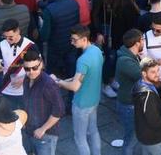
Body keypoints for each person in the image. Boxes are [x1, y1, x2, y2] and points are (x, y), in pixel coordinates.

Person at [55, 25, 103, 155]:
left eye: (74, 39)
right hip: (94, 99)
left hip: (82, 103)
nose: (72, 42)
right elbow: (86, 76)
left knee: (80, 138)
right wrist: (68, 80)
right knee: (93, 131)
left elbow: (75, 86)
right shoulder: (97, 51)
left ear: (84, 39)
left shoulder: (82, 60)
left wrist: (59, 82)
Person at [21, 50, 64, 155]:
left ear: (41, 64)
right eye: (27, 69)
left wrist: (43, 129)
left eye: (34, 68)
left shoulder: (48, 84)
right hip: (30, 130)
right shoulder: (26, 79)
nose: (31, 71)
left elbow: (59, 110)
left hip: (46, 134)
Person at [132, 57, 161, 155]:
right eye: (153, 72)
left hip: (144, 137)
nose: (157, 74)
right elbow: (155, 122)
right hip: (155, 141)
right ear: (144, 73)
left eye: (158, 70)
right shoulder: (148, 95)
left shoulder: (139, 85)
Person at [0, 19, 36, 110]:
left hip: (26, 90)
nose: (7, 39)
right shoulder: (1, 45)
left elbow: (40, 67)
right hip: (6, 89)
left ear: (18, 31)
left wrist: (24, 80)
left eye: (10, 37)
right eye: (5, 37)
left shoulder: (30, 46)